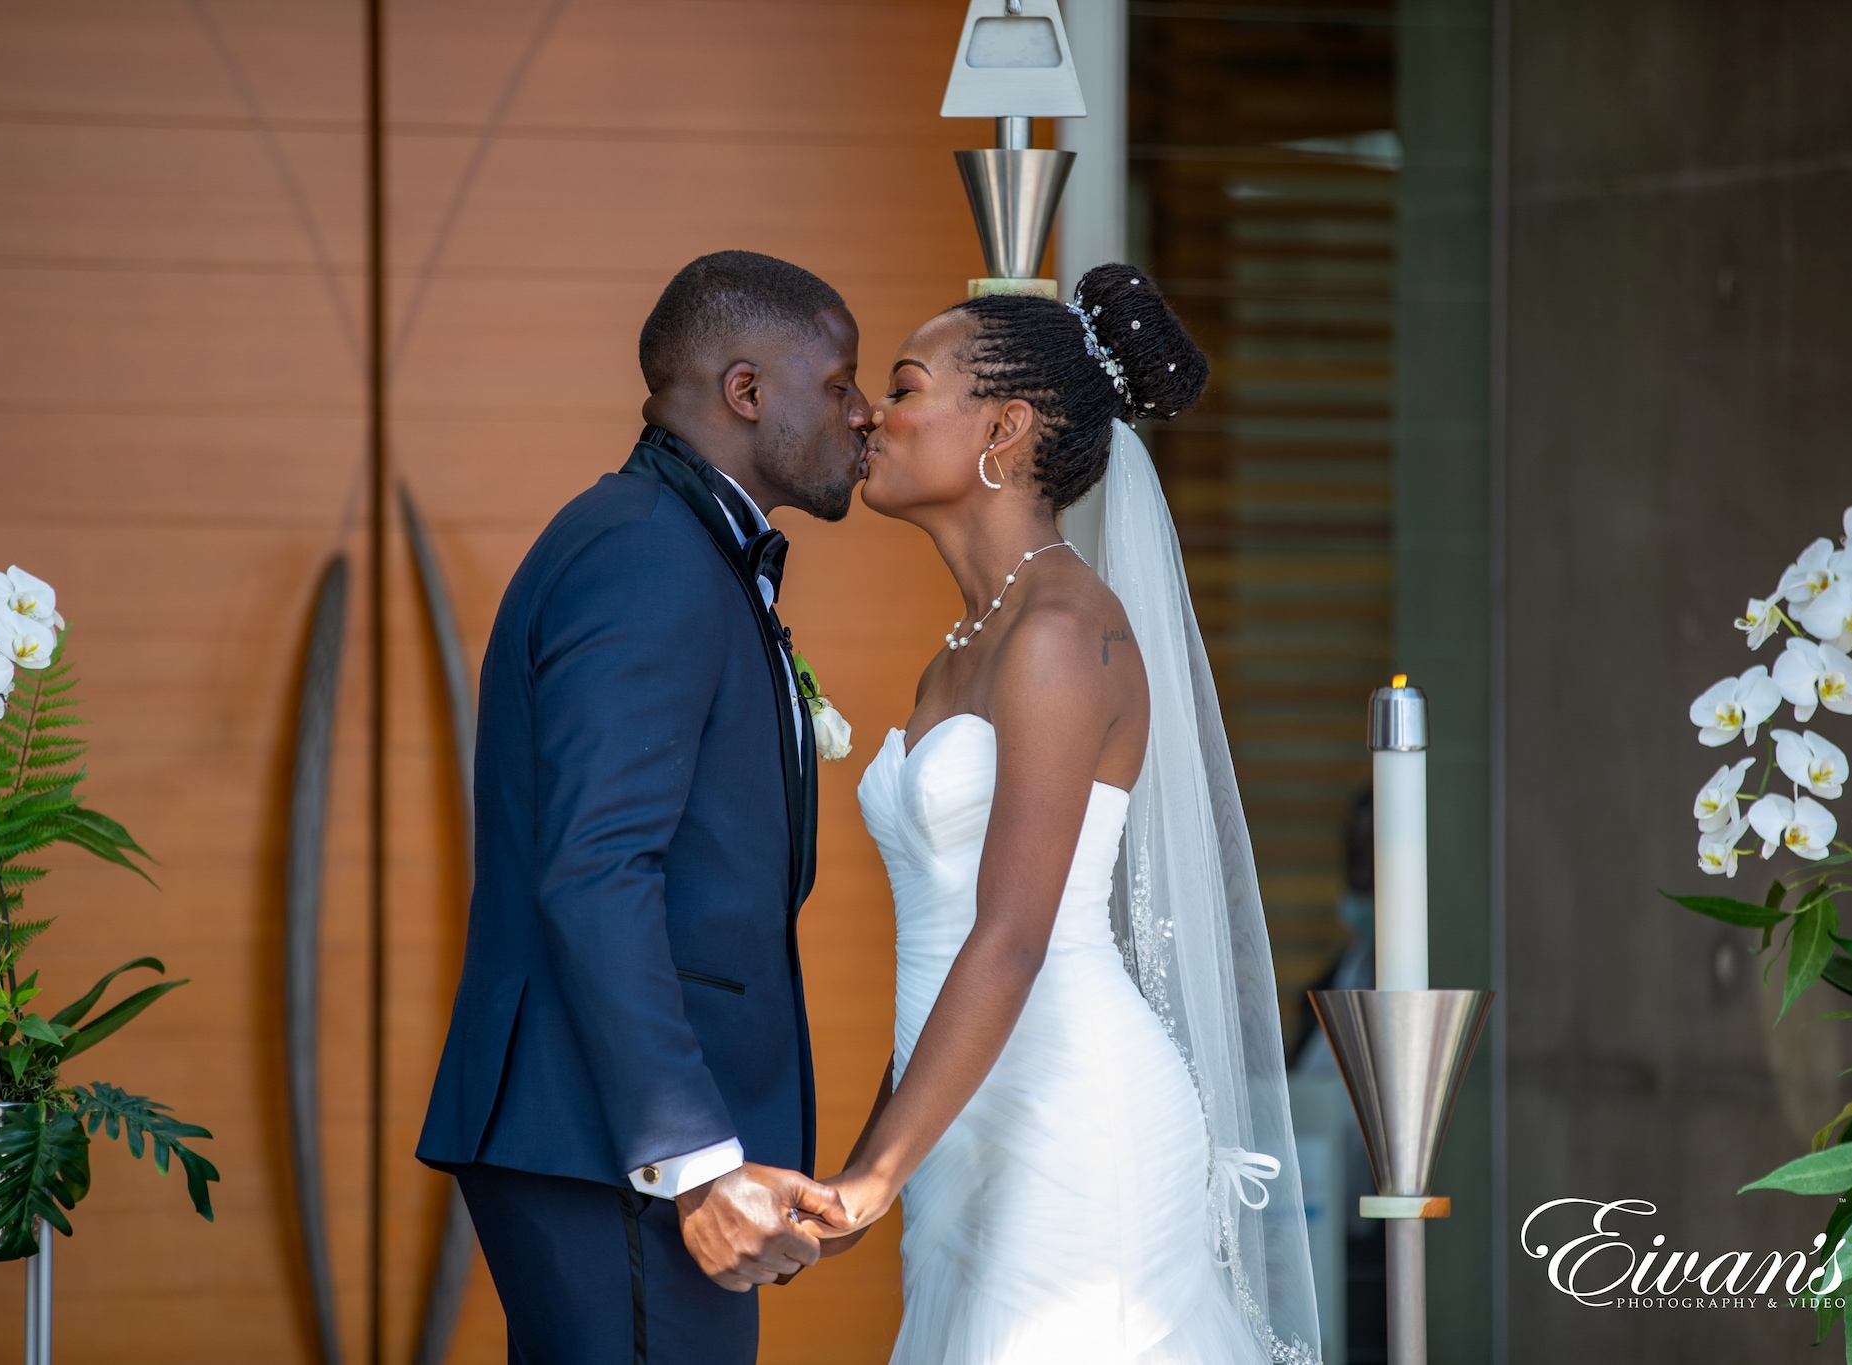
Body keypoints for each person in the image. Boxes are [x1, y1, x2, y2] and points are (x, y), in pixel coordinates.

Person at [811, 264, 1325, 1364]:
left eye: (902, 388)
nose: (869, 414)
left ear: (1001, 429)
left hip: (1071, 1124)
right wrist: (877, 1160)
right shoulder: (964, 645)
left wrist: (871, 1177)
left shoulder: (1057, 632)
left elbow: (1009, 939)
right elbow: (939, 945)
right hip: (962, 1126)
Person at [415, 250, 869, 1365]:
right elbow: (597, 867)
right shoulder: (642, 553)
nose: (863, 415)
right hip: (615, 1141)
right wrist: (693, 1158)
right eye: (840, 382)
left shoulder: (676, 546)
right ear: (746, 390)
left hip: (612, 1137)